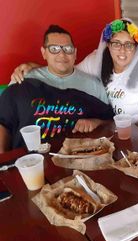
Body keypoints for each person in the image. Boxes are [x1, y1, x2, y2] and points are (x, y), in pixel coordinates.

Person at [11, 18, 138, 132]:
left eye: (128, 44)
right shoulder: (97, 61)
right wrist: (34, 69)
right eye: (116, 43)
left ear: (136, 47)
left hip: (130, 135)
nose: (122, 50)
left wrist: (123, 133)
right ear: (108, 45)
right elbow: (66, 70)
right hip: (102, 131)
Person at [0, 25, 113, 153]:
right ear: (44, 53)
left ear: (75, 53)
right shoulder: (22, 81)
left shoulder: (94, 86)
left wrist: (96, 122)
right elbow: (4, 123)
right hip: (29, 163)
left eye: (68, 49)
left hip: (78, 160)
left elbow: (110, 122)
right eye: (54, 49)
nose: (62, 54)